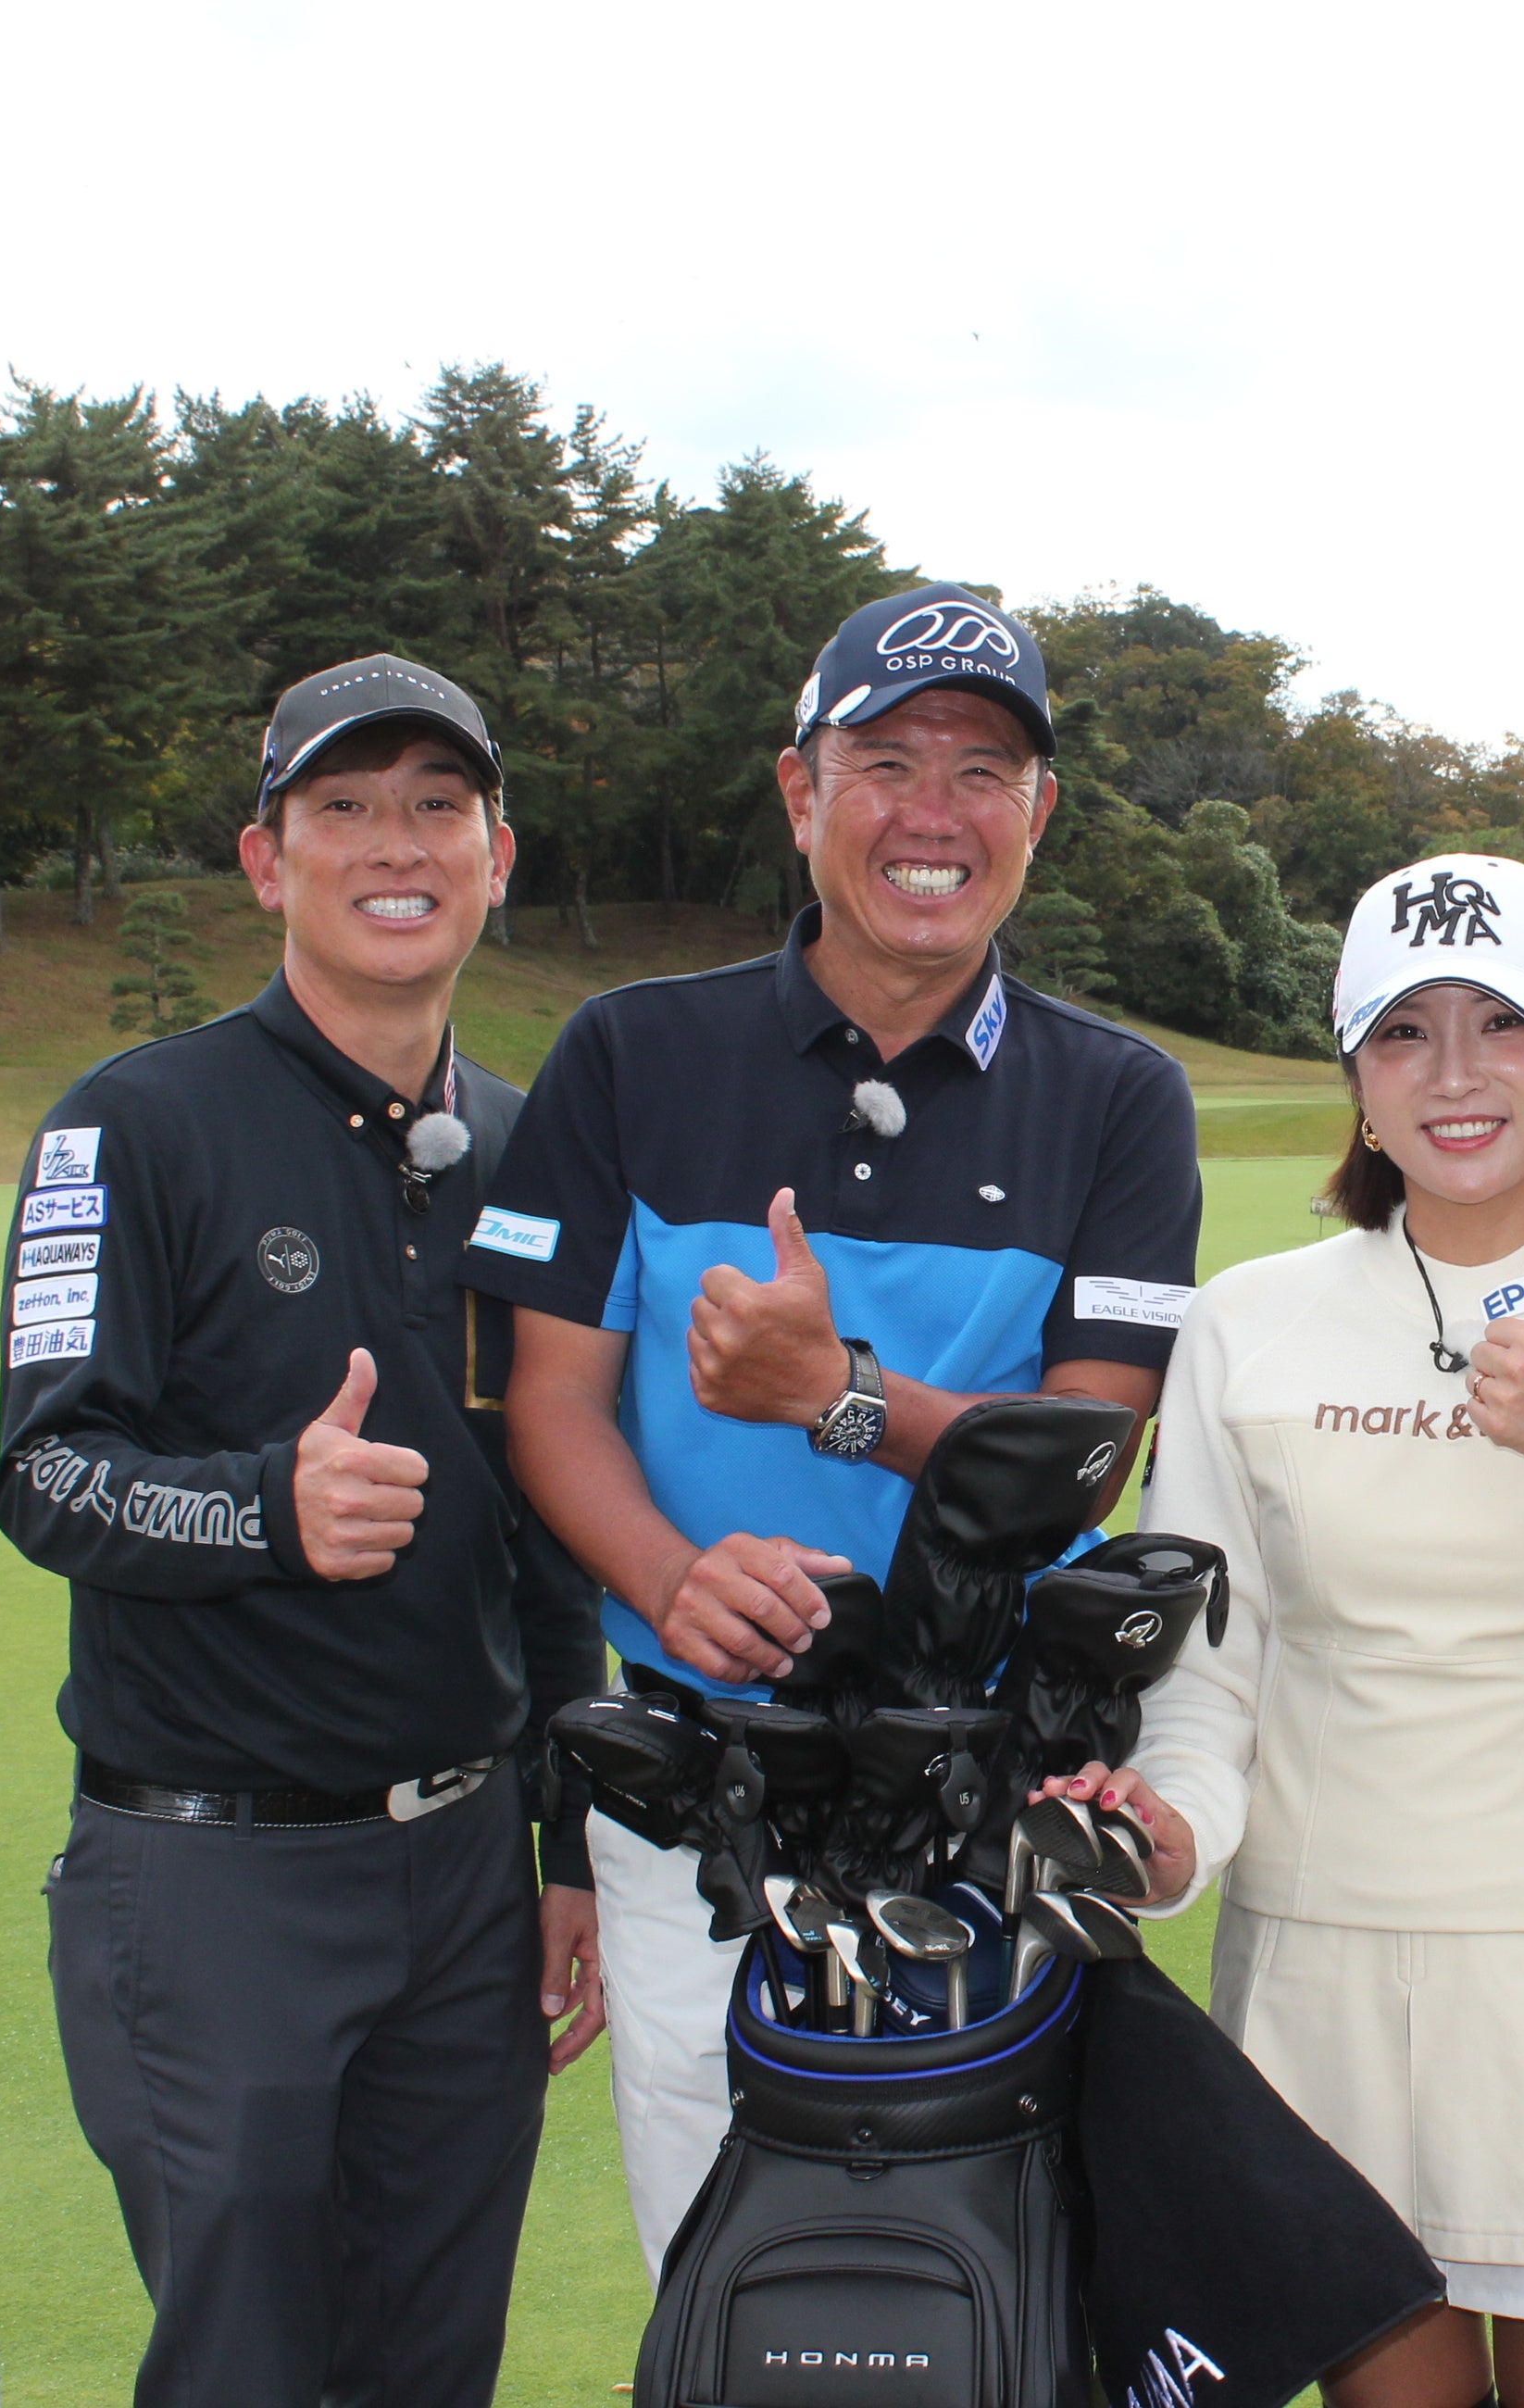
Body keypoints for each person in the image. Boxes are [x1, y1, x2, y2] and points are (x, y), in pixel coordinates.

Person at [468, 582, 1202, 2267]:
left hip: (998, 1786)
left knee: (997, 2288)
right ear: (802, 792)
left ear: (1038, 816)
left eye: (983, 771)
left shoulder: (1118, 1095)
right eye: (886, 763)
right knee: (721, 2264)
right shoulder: (630, 1052)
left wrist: (839, 1398)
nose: (935, 813)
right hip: (697, 1784)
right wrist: (669, 1579)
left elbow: (1091, 1458)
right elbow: (551, 1399)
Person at [1058, 853, 1524, 2408]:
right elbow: (1211, 1665)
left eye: (1505, 1025)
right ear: (1355, 1074)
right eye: (1404, 1031)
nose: (1456, 1075)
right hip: (1315, 1985)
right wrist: (1173, 1830)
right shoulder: (1247, 1319)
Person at [0, 656, 606, 2408]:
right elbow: (46, 1473)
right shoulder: (132, 1124)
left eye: (437, 806)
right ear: (269, 862)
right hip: (213, 1883)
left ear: (496, 856)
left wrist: (565, 1843)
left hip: (465, 1884)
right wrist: (266, 1506)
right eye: (343, 807)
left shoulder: (534, 1153)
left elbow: (548, 1540)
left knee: (433, 2367)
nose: (394, 845)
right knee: (248, 2371)